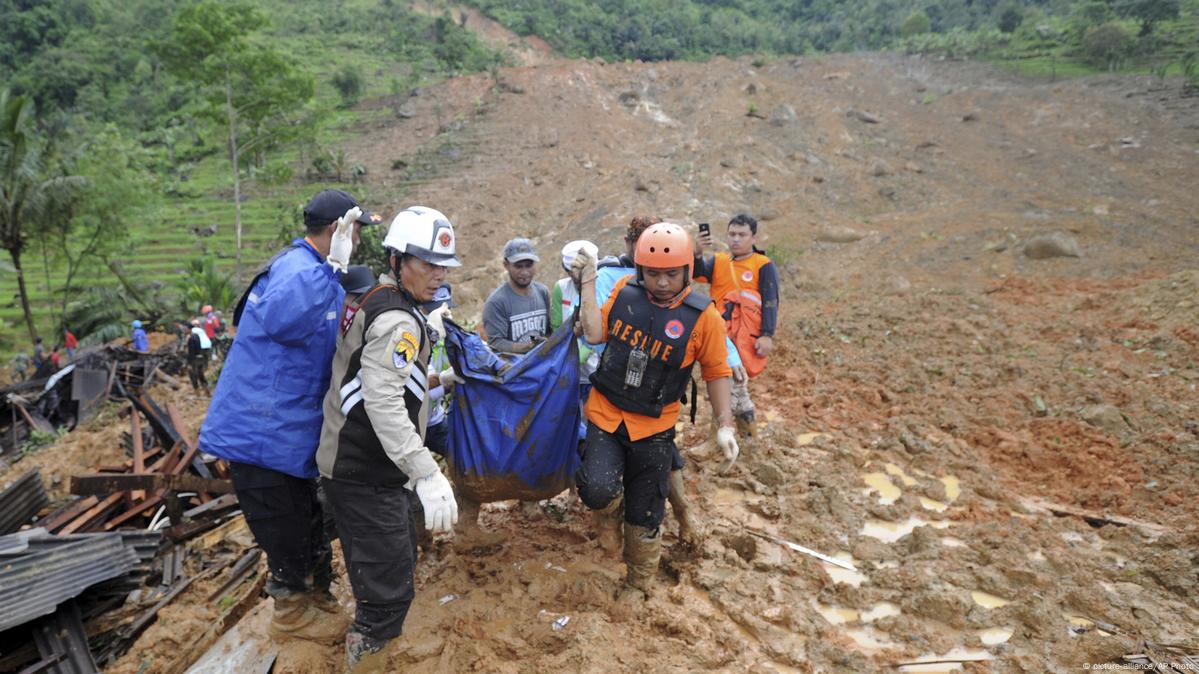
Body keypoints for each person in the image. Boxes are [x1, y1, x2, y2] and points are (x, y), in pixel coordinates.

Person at [199, 188, 379, 643]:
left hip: (287, 435)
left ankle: (315, 600)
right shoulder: (300, 270)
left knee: (306, 523)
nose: (358, 239)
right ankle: (292, 615)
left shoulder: (316, 273)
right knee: (287, 530)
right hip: (263, 434)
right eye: (356, 229)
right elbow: (282, 319)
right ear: (340, 229)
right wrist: (333, 269)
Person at [316, 206, 460, 668]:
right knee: (387, 596)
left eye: (443, 266)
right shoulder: (399, 322)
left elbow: (382, 381)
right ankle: (367, 653)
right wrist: (426, 472)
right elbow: (382, 402)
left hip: (357, 463)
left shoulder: (382, 297)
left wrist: (438, 380)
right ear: (399, 260)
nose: (437, 276)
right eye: (427, 264)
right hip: (365, 471)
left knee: (388, 559)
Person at [574, 222, 740, 600]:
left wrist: (725, 425)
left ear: (686, 272)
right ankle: (607, 517)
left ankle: (638, 582)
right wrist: (586, 282)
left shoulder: (704, 318)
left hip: (655, 426)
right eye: (652, 274)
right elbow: (595, 335)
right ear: (639, 270)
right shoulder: (623, 292)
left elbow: (716, 372)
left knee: (646, 511)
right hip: (606, 413)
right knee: (597, 489)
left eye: (670, 274)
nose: (661, 282)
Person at [694, 214, 780, 436]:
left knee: (725, 385)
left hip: (746, 338)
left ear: (754, 237)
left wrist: (767, 335)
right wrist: (697, 252)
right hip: (719, 334)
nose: (736, 239)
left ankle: (718, 440)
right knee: (736, 387)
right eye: (732, 234)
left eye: (742, 235)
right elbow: (694, 273)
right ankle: (751, 438)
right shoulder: (719, 261)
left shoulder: (763, 265)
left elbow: (771, 301)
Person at [482, 238, 551, 355]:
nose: (524, 272)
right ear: (506, 265)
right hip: (514, 369)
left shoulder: (542, 292)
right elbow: (496, 343)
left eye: (529, 266)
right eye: (518, 266)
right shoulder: (497, 302)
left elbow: (549, 331)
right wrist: (529, 348)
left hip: (542, 365)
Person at [186, 320, 211, 394]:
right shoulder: (197, 336)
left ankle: (197, 392)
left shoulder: (191, 339)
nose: (185, 330)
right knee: (201, 374)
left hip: (194, 360)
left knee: (193, 375)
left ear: (189, 329)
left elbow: (191, 352)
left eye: (186, 329)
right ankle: (206, 389)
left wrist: (189, 363)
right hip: (201, 358)